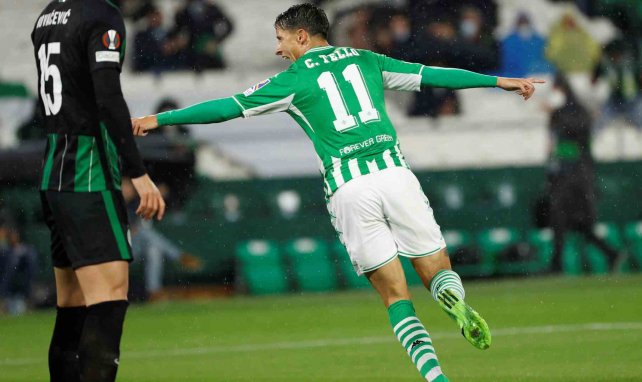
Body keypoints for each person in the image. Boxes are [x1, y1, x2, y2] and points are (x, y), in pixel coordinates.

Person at [132, 4, 543, 380]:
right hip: (394, 173)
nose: (278, 49)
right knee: (436, 269)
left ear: (302, 37)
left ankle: (436, 376)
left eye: (280, 39)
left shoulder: (292, 78)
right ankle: (451, 297)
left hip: (348, 186)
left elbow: (228, 107)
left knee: (394, 295)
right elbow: (430, 74)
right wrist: (498, 81)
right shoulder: (366, 59)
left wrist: (160, 118)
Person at [31, 1, 165, 381]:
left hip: (54, 170)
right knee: (107, 302)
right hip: (88, 174)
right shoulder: (100, 15)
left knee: (71, 309)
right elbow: (106, 97)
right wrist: (137, 173)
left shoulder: (48, 15)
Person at [546, 75, 621, 273]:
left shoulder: (570, 114)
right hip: (574, 175)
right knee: (569, 223)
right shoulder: (575, 113)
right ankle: (609, 253)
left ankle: (558, 265)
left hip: (574, 176)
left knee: (568, 221)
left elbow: (573, 143)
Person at [0, 227, 39, 315]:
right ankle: (3, 303)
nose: (13, 238)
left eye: (15, 236)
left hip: (22, 276)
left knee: (29, 257)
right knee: (11, 262)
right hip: (7, 278)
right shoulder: (5, 250)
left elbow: (31, 265)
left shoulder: (26, 249)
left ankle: (28, 300)